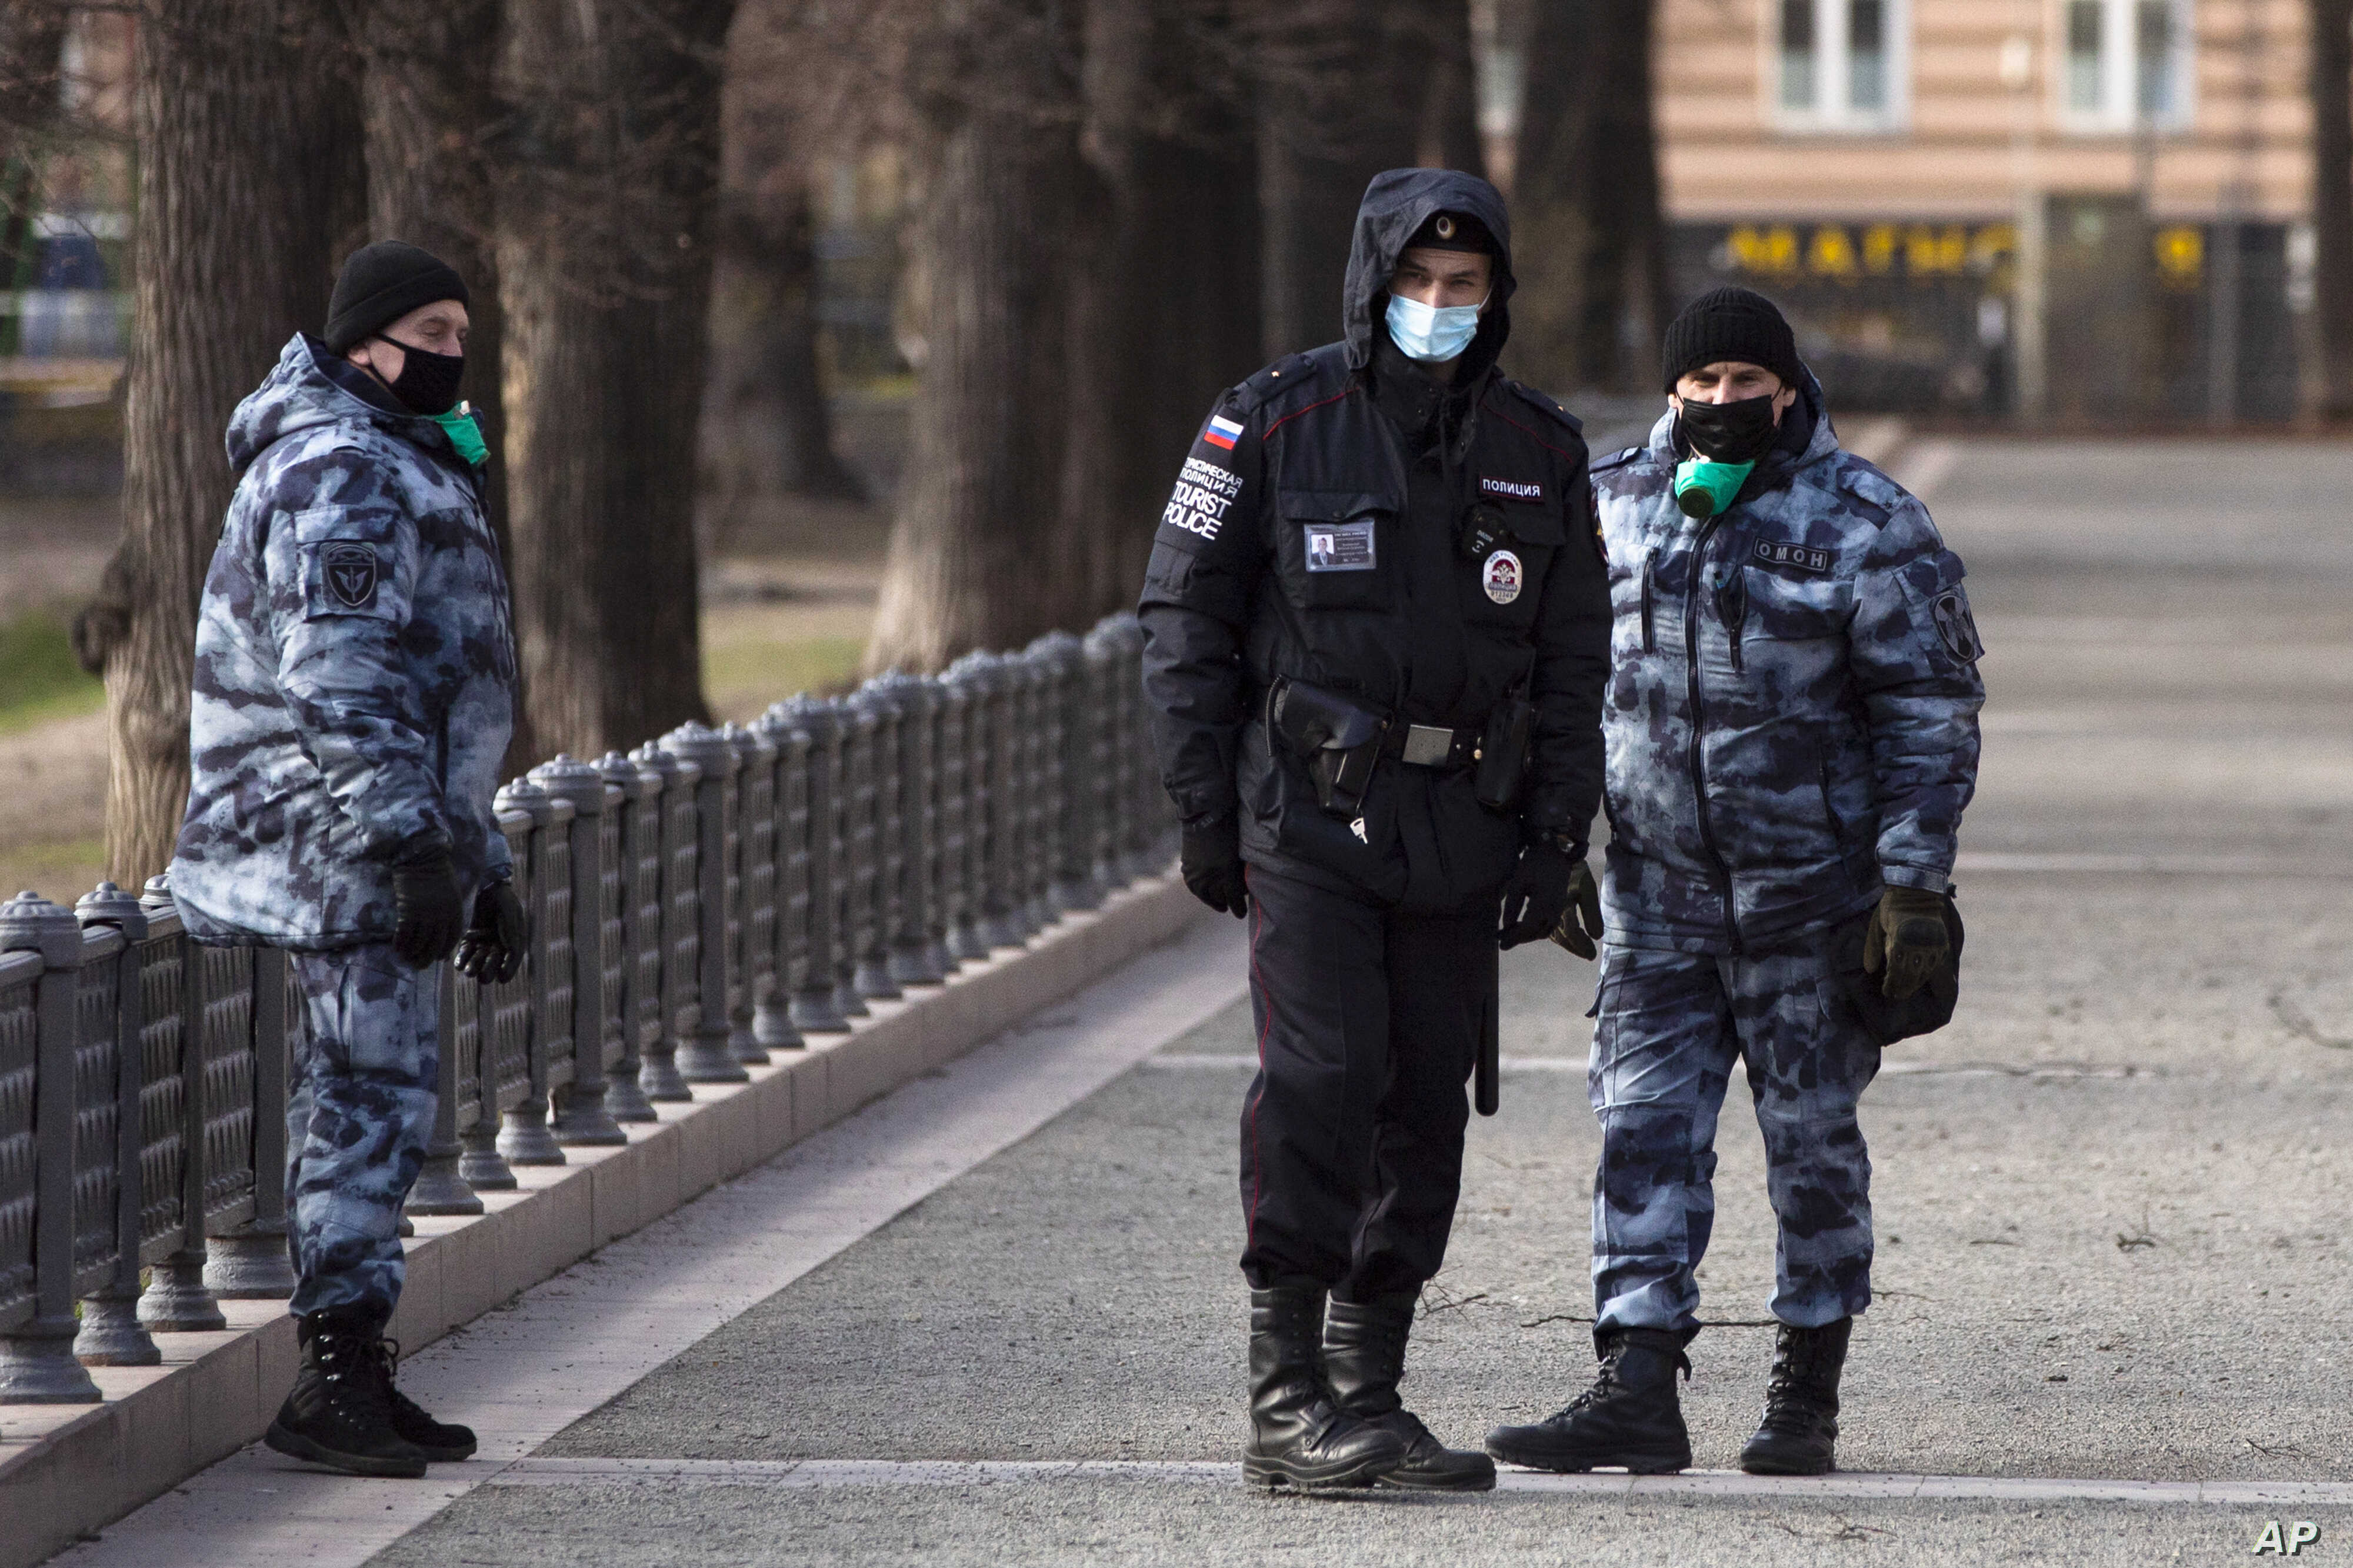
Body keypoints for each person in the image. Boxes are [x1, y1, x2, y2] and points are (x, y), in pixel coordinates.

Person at [1139, 168, 1611, 1493]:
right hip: (1309, 814)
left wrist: (1553, 835)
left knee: (1421, 1104)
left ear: (1495, 296)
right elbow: (1181, 618)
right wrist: (1201, 806)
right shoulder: (1268, 422)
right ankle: (1283, 1402)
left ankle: (1369, 1392)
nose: (1437, 307)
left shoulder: (1539, 448)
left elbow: (1575, 657)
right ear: (1370, 283)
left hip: (1462, 821)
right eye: (1415, 283)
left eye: (1462, 287)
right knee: (1320, 1082)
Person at [1484, 286, 1984, 1479]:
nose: (1720, 402)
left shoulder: (1865, 522)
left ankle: (1803, 1394)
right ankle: (1635, 1384)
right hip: (1654, 900)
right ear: (1670, 387)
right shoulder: (1601, 507)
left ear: (1784, 382)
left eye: (1742, 382)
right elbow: (1545, 687)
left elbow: (1926, 709)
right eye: (1699, 382)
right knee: (1638, 1132)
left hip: (1814, 904)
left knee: (1810, 1147)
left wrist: (1913, 886)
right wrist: (1546, 844)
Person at [169, 240, 528, 1479]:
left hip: (378, 840)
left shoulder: (393, 455)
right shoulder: (339, 468)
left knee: (381, 1102)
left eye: (460, 331)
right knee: (367, 1104)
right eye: (428, 330)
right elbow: (344, 676)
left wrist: (478, 862)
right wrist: (407, 843)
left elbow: (439, 692)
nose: (451, 352)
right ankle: (332, 1377)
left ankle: (359, 1364)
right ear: (363, 340)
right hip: (330, 844)